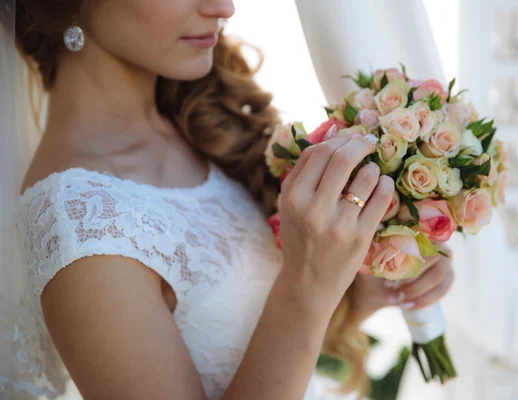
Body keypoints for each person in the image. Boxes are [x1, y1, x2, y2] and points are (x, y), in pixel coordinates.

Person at [11, 0, 454, 398]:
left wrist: (364, 281)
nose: (225, 7)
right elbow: (293, 304)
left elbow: (243, 336)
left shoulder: (195, 121)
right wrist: (307, 287)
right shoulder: (80, 222)